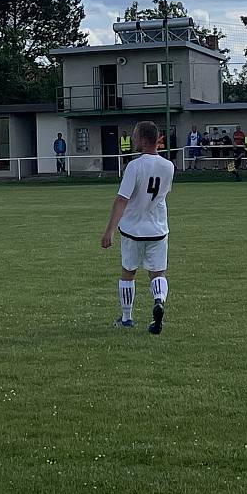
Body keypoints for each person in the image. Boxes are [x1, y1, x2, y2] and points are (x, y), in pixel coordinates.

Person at [101, 121, 175, 335]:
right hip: (158, 228)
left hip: (133, 229)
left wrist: (109, 231)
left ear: (143, 140)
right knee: (157, 273)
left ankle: (126, 318)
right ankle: (159, 301)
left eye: (135, 136)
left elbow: (121, 200)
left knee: (128, 273)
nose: (133, 139)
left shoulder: (134, 166)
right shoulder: (168, 166)